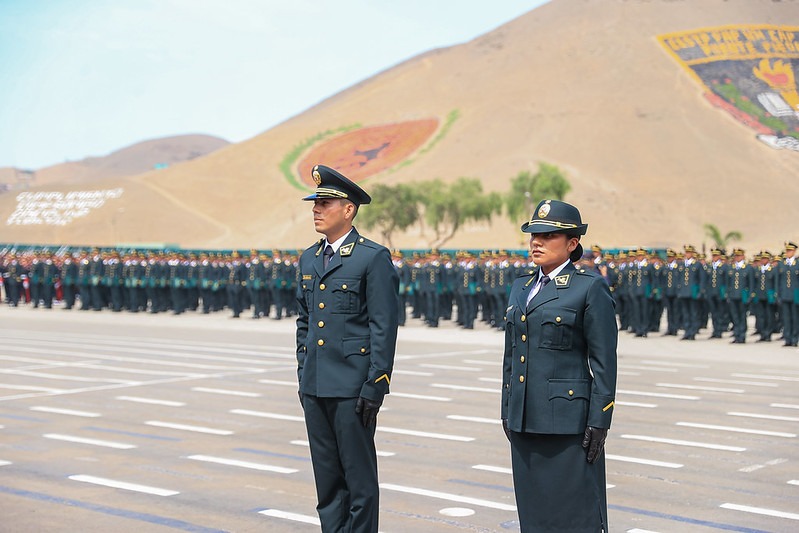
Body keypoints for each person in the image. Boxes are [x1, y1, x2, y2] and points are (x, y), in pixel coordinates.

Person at [501, 199, 617, 533]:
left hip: (568, 425)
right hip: (524, 419)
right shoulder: (520, 287)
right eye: (534, 234)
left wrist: (600, 420)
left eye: (548, 235)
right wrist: (507, 408)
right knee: (535, 516)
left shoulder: (588, 288)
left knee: (573, 517)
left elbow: (604, 363)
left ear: (572, 243)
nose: (536, 242)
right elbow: (511, 355)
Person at [295, 164, 399, 533]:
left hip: (353, 389)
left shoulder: (371, 257)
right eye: (315, 203)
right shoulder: (309, 258)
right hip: (315, 386)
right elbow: (304, 321)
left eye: (324, 203)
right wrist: (302, 369)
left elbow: (383, 326)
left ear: (349, 209)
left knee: (358, 481)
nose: (316, 209)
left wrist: (377, 382)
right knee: (327, 482)